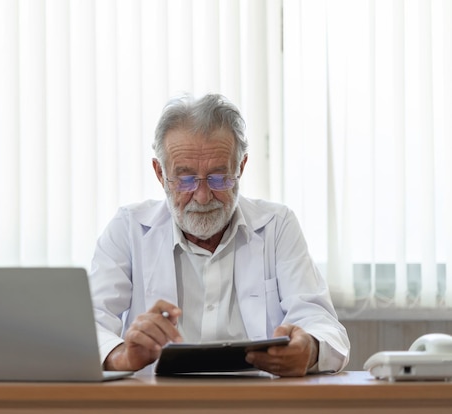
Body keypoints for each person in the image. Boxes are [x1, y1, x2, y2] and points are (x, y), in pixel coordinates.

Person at [89, 93, 350, 376]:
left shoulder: (277, 225)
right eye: (186, 179)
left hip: (257, 405)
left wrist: (308, 349)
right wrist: (122, 357)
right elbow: (91, 324)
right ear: (160, 173)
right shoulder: (129, 228)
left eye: (218, 178)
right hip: (158, 405)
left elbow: (322, 324)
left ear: (241, 167)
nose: (202, 197)